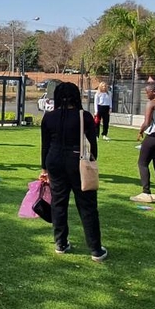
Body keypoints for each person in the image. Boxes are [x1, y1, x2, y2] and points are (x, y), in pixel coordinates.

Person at [39, 83, 106, 262]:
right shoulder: (83, 116)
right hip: (77, 160)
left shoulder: (49, 117)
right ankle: (95, 249)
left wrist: (44, 168)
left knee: (58, 203)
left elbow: (45, 145)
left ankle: (60, 243)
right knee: (87, 205)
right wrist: (91, 161)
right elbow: (93, 144)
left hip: (54, 160)